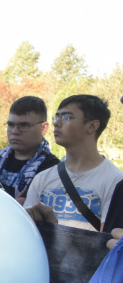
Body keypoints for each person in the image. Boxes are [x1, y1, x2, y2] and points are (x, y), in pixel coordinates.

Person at [23, 95, 123, 231]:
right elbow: (25, 229)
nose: (56, 123)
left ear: (92, 126)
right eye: (56, 117)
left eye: (66, 117)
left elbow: (107, 241)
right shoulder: (42, 178)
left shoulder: (115, 181)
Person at [0, 96, 59, 201]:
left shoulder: (52, 170)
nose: (15, 131)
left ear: (43, 128)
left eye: (24, 125)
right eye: (11, 125)